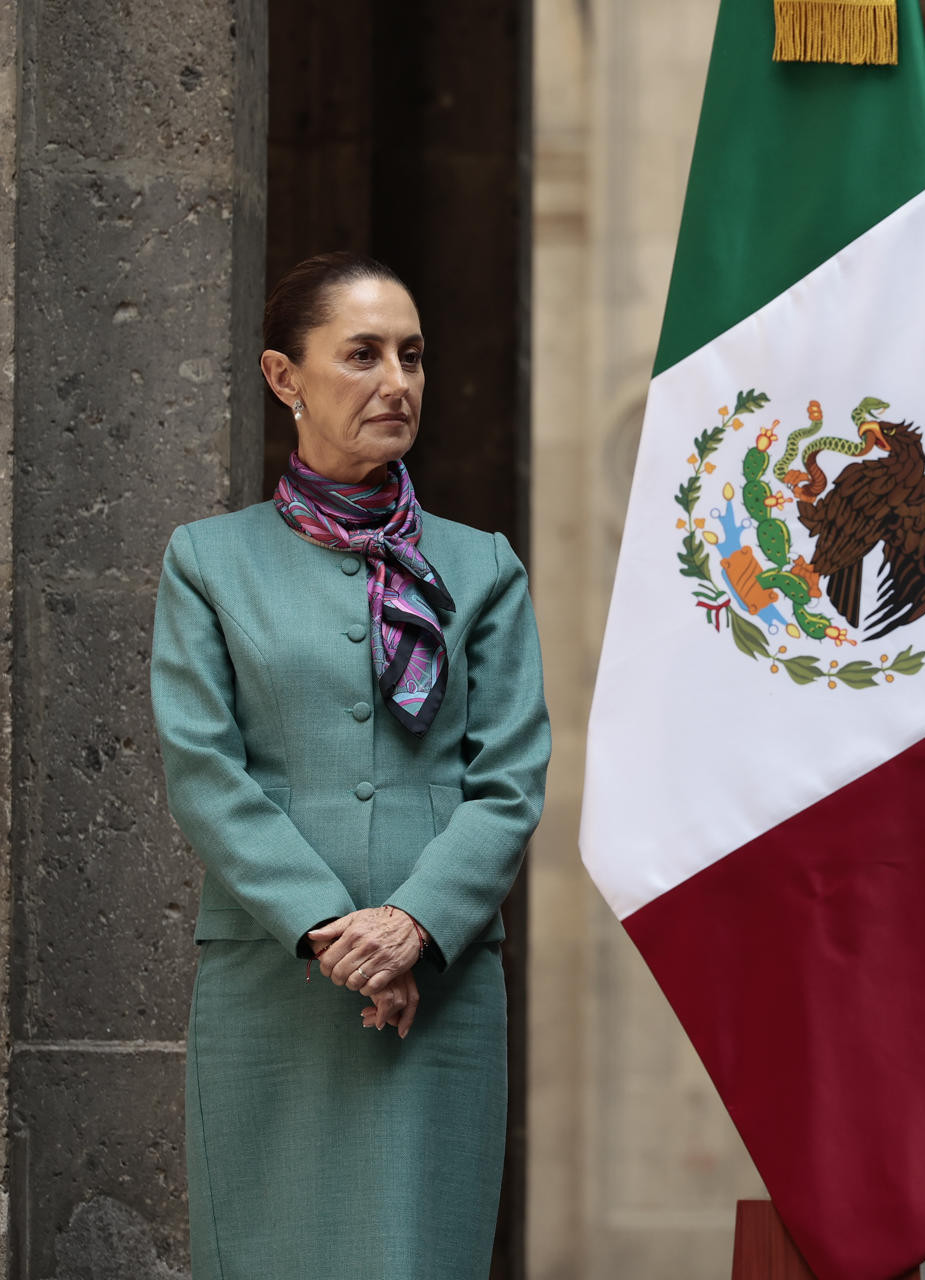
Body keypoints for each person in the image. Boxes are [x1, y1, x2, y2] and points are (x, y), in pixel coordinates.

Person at [151, 252, 551, 1277]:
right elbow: (204, 771)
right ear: (285, 377)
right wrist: (337, 935)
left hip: (443, 987)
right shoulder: (208, 560)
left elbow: (508, 779)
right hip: (275, 980)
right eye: (363, 354)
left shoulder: (483, 567)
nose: (397, 382)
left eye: (411, 356)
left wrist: (413, 927)